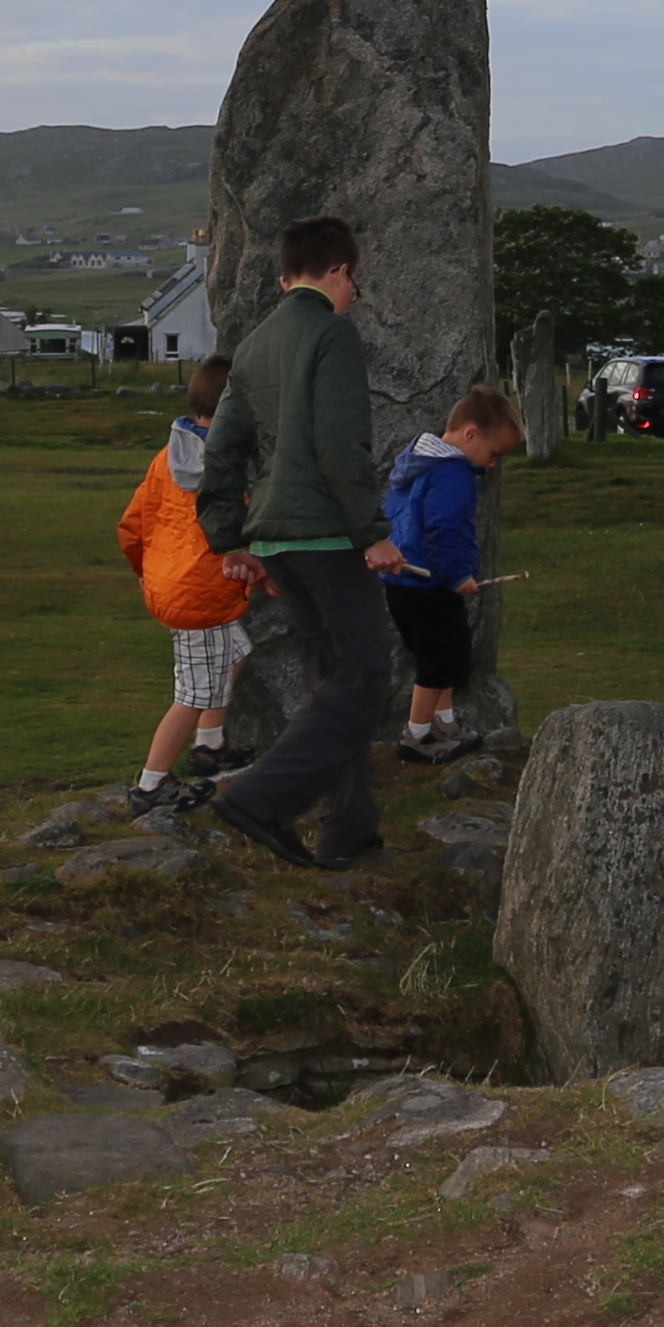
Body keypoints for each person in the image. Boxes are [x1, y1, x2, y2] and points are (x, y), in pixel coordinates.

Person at [197, 214, 392, 870]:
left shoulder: (251, 347)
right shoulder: (331, 334)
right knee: (366, 674)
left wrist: (231, 540)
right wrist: (374, 534)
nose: (353, 296)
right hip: (328, 534)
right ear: (338, 271)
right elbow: (342, 445)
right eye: (354, 283)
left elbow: (220, 454)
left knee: (335, 681)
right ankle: (261, 797)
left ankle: (349, 831)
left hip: (277, 540)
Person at [116, 354, 253, 807]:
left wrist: (145, 572)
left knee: (236, 650)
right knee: (192, 695)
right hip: (203, 594)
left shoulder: (166, 458)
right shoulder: (228, 467)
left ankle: (210, 745)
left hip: (173, 586)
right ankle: (151, 785)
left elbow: (134, 523)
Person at [377, 380, 522, 756]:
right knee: (438, 660)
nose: (491, 465)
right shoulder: (451, 474)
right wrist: (458, 574)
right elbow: (445, 528)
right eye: (492, 454)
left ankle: (445, 723)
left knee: (450, 654)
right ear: (470, 433)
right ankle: (418, 735)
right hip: (429, 581)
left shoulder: (417, 462)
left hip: (403, 580)